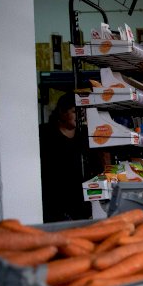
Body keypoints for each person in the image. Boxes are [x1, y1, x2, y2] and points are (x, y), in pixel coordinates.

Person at [39, 92, 99, 222]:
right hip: (53, 204)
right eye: (74, 111)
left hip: (81, 204)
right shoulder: (45, 134)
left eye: (83, 112)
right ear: (61, 112)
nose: (80, 116)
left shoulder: (85, 137)